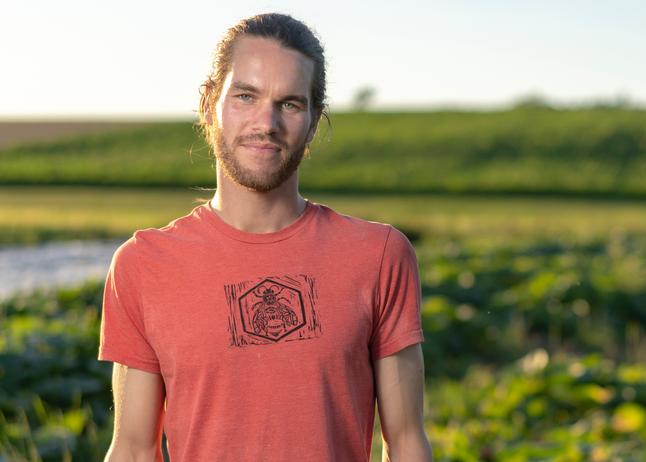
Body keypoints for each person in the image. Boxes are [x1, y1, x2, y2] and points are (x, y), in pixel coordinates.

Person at [98, 13, 432, 462]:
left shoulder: (379, 255)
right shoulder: (143, 265)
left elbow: (407, 442)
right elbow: (134, 451)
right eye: (246, 96)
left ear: (314, 122)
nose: (266, 122)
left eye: (290, 104)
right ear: (209, 105)